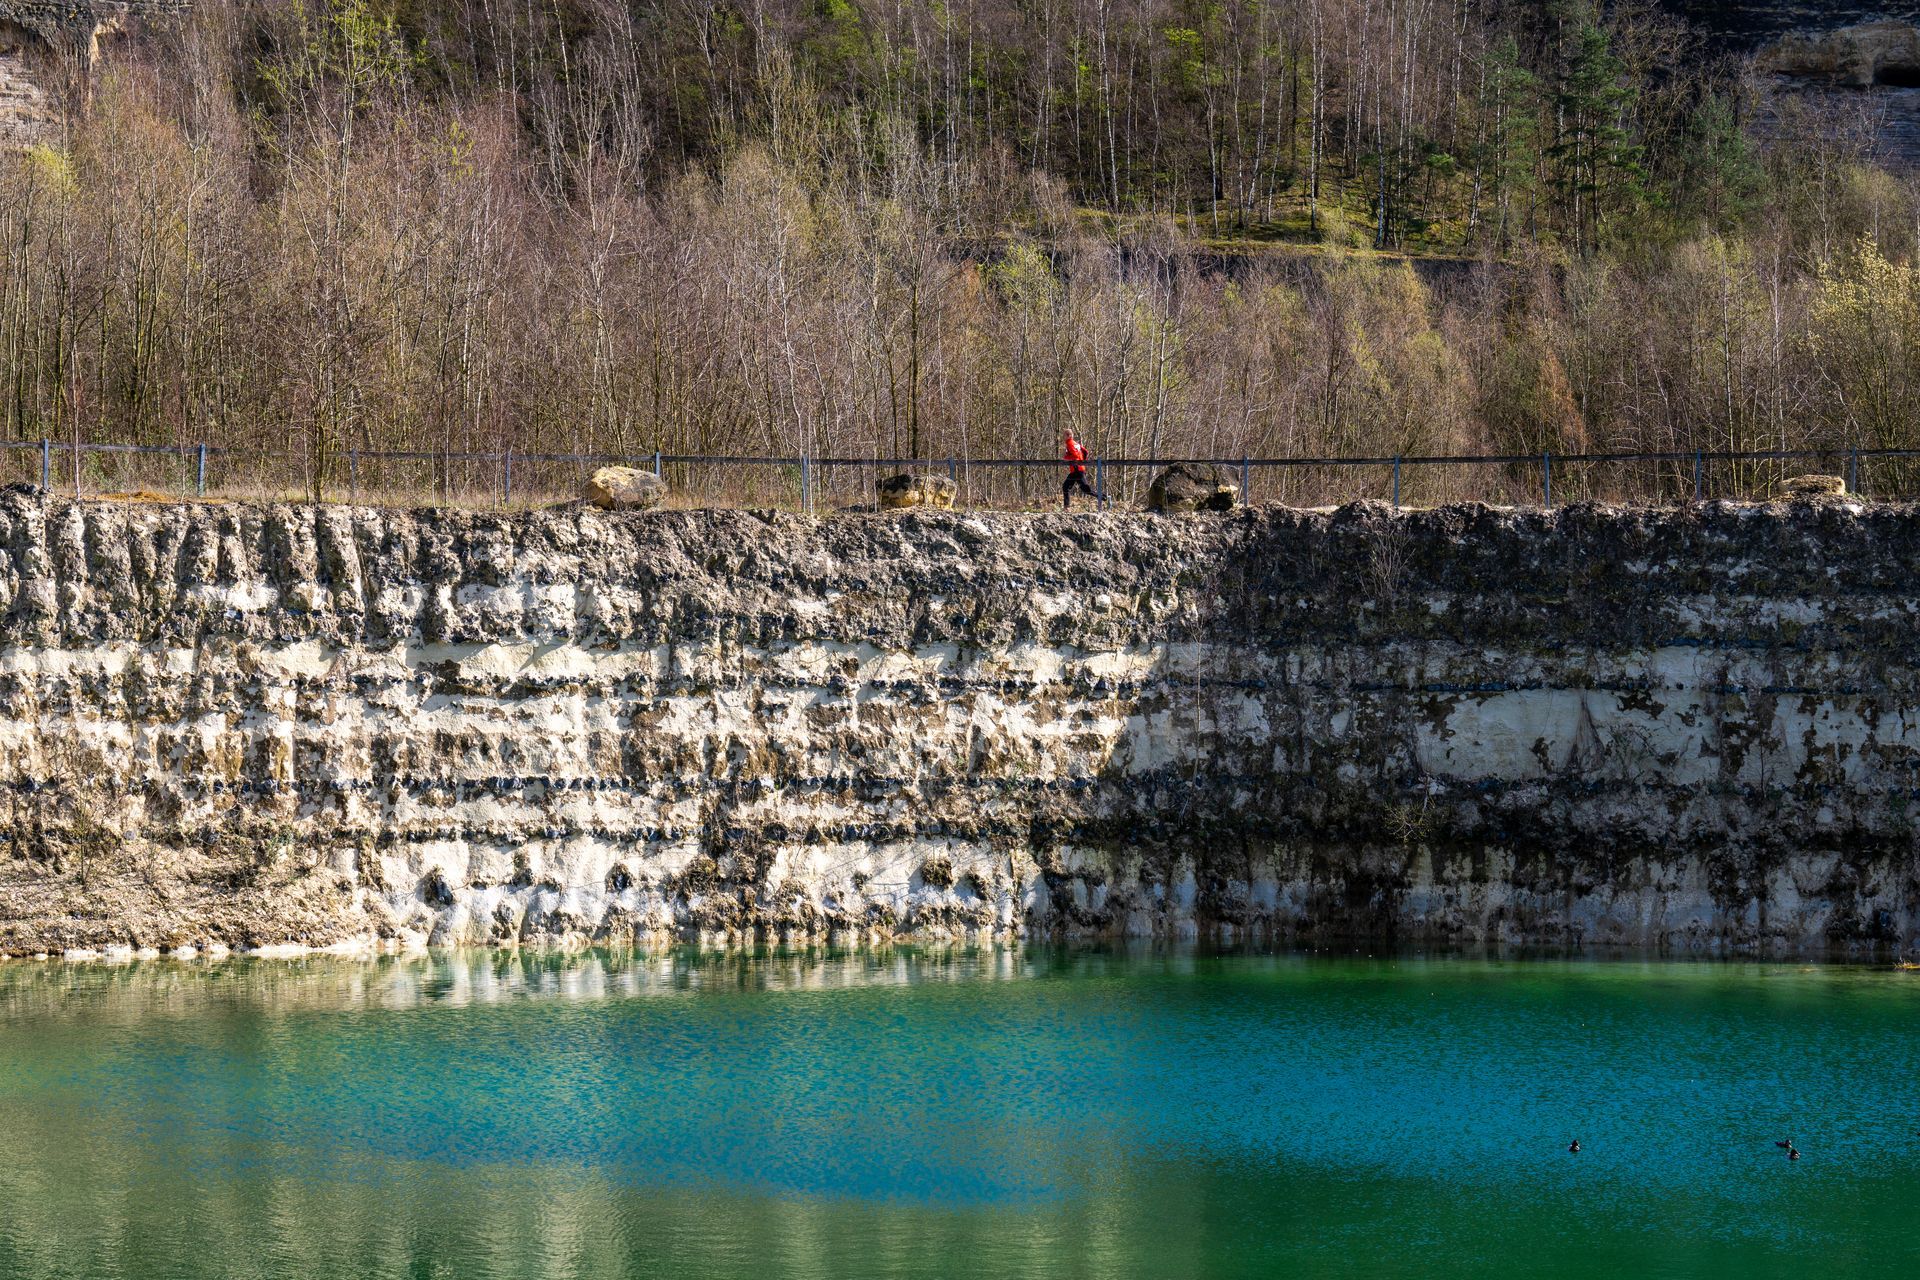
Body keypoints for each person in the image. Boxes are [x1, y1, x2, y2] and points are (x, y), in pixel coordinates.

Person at [1062, 431, 1096, 509]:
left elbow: (1075, 455)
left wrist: (1066, 458)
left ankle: (1103, 497)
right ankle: (1066, 507)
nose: (1063, 437)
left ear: (1069, 436)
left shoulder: (1070, 444)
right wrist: (1082, 461)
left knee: (1086, 490)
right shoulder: (1076, 443)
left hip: (1077, 470)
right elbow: (1085, 452)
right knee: (1066, 487)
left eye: (1064, 435)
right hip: (1077, 470)